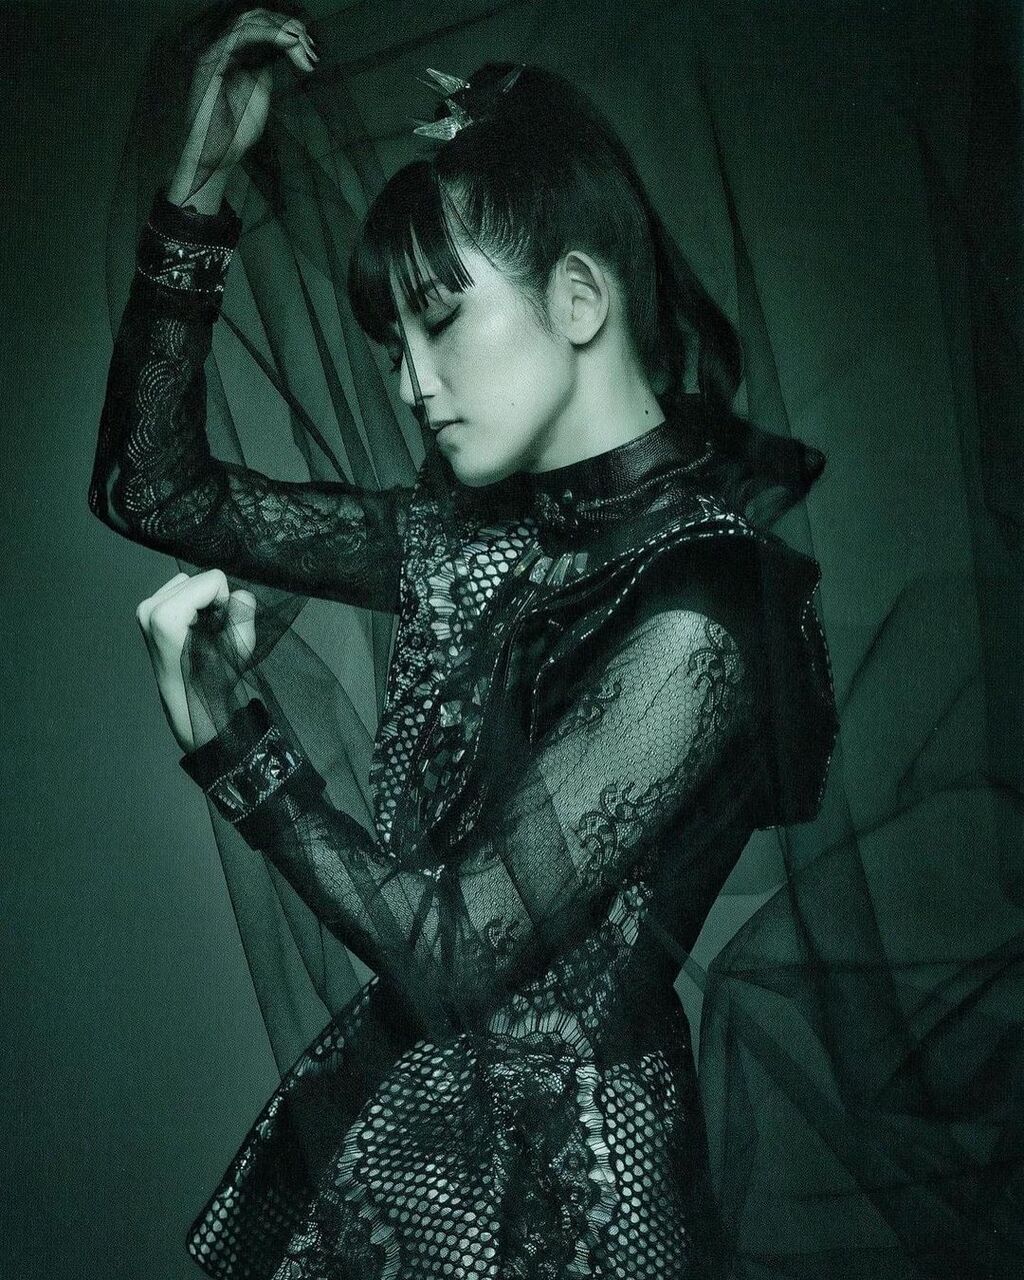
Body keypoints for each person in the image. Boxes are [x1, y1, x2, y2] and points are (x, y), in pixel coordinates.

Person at [89, 8, 838, 1277]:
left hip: (568, 1205)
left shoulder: (709, 609)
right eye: (393, 343)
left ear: (580, 298)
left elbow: (457, 948)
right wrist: (201, 187)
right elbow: (154, 489)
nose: (409, 383)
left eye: (440, 322)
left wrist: (234, 741)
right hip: (390, 1139)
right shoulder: (469, 536)